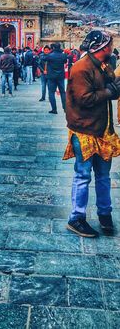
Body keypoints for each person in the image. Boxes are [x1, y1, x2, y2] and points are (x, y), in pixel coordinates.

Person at [64, 30, 120, 237]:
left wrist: (112, 85)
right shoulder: (81, 68)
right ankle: (76, 217)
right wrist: (110, 91)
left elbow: (108, 88)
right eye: (110, 44)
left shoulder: (103, 65)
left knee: (103, 176)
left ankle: (105, 214)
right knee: (83, 175)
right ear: (102, 47)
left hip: (102, 129)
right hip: (85, 129)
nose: (112, 47)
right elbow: (84, 99)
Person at [46, 43, 67, 114]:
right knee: (62, 92)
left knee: (51, 93)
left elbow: (44, 59)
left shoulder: (50, 56)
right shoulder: (63, 55)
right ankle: (65, 108)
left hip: (51, 76)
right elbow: (65, 61)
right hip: (60, 76)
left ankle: (54, 109)